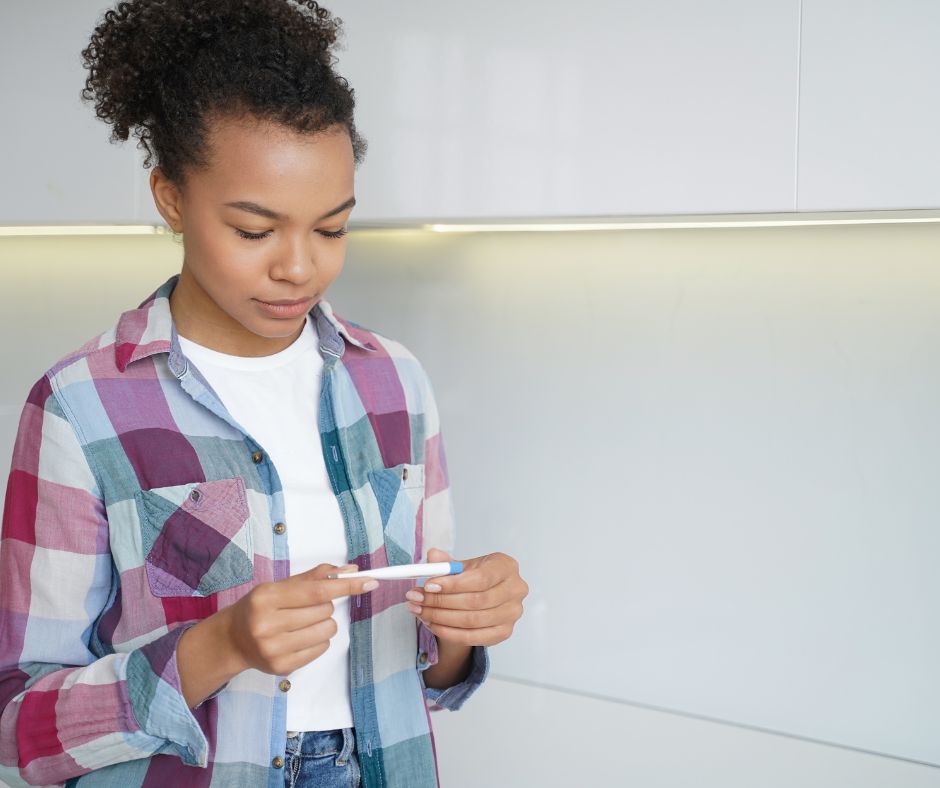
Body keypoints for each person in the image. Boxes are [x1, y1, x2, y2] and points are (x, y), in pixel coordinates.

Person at [0, 1, 528, 785]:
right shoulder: (82, 406)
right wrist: (220, 647)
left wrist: (464, 628)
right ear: (171, 197)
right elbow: (19, 727)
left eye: (332, 228)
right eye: (254, 231)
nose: (298, 268)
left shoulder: (394, 382)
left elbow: (429, 666)